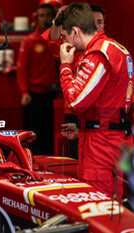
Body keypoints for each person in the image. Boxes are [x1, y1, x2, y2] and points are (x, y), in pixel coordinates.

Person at [55, 2, 133, 199]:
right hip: (109, 135)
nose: (65, 43)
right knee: (112, 207)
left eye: (65, 36)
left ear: (75, 31)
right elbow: (107, 102)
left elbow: (75, 101)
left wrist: (65, 66)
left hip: (102, 145)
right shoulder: (117, 48)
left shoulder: (99, 53)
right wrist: (84, 127)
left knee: (98, 207)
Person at [42, 4, 106, 158]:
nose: (96, 26)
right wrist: (58, 20)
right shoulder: (72, 47)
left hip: (99, 118)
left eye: (100, 22)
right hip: (75, 113)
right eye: (93, 21)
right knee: (78, 160)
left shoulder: (105, 51)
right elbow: (53, 41)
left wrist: (65, 66)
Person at [16, 3, 59, 155]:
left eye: (48, 15)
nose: (45, 18)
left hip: (54, 95)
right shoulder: (29, 41)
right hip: (34, 96)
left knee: (51, 134)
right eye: (42, 15)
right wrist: (24, 92)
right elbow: (21, 69)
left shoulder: (58, 39)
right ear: (36, 18)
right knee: (34, 135)